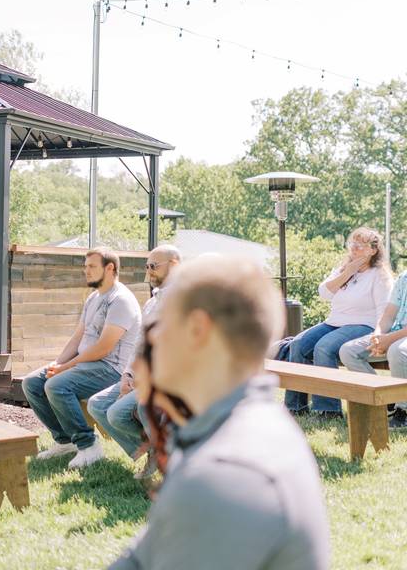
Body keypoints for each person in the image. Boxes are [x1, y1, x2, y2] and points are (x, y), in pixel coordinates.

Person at [107, 256, 330, 570]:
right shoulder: (238, 427)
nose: (149, 340)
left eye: (159, 324)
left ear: (198, 329)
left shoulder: (224, 476)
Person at [22, 247, 143, 469]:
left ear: (110, 268)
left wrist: (65, 368)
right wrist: (57, 363)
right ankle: (65, 441)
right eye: (85, 266)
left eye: (91, 267)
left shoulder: (121, 300)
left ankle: (88, 446)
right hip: (87, 365)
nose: (85, 271)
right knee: (32, 382)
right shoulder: (94, 298)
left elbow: (103, 349)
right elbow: (78, 337)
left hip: (111, 369)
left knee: (56, 386)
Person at [86, 244, 180, 477]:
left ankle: (166, 459)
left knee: (119, 413)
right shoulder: (152, 302)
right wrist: (128, 375)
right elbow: (138, 345)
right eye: (147, 266)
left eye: (154, 266)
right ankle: (150, 451)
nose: (149, 271)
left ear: (175, 265)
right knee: (97, 405)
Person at [286, 227, 392, 418]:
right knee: (298, 344)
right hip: (334, 322)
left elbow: (384, 310)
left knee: (324, 347)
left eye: (360, 245)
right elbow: (323, 293)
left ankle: (328, 410)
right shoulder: (343, 269)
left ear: (373, 250)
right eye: (352, 243)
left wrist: (379, 336)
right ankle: (296, 407)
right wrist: (347, 273)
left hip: (363, 325)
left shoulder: (379, 275)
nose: (354, 248)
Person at [340, 266, 407, 427]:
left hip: (398, 340)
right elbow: (389, 315)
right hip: (393, 334)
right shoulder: (404, 277)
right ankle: (384, 399)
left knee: (397, 351)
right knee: (349, 351)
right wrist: (378, 335)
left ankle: (403, 410)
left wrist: (388, 339)